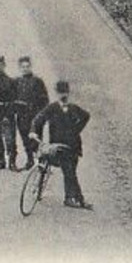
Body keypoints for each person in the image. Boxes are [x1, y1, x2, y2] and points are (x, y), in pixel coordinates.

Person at [30, 79, 92, 209]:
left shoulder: (74, 108)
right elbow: (38, 119)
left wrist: (76, 129)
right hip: (57, 146)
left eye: (65, 93)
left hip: (73, 146)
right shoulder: (52, 108)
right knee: (67, 169)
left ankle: (71, 197)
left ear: (68, 93)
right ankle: (76, 199)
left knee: (70, 171)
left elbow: (86, 116)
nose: (63, 95)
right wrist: (33, 132)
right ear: (56, 93)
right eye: (60, 93)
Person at [12, 55, 50, 169]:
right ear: (19, 68)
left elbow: (45, 100)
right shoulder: (16, 82)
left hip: (34, 115)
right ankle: (30, 160)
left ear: (30, 67)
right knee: (25, 139)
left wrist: (41, 115)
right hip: (22, 115)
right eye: (23, 67)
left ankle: (41, 161)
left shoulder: (38, 81)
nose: (25, 68)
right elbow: (12, 98)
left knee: (36, 139)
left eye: (27, 66)